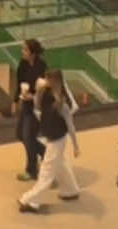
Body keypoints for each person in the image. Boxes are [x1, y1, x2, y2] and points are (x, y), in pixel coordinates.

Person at [18, 76, 80, 212]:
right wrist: (38, 90)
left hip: (57, 140)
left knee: (46, 172)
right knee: (60, 163)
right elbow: (36, 106)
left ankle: (30, 200)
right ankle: (70, 189)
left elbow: (70, 126)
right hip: (51, 137)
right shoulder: (46, 96)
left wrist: (76, 146)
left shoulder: (62, 104)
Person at [14, 39, 47, 182]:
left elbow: (45, 89)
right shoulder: (22, 65)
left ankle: (31, 169)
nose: (22, 52)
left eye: (25, 50)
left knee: (28, 136)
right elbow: (19, 83)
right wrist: (16, 100)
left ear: (33, 53)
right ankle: (45, 152)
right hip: (26, 104)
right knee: (20, 134)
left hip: (37, 106)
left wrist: (32, 96)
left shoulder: (41, 67)